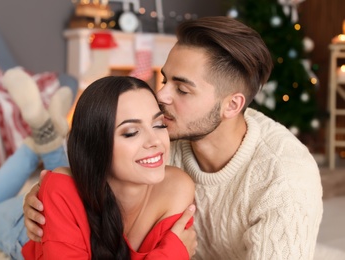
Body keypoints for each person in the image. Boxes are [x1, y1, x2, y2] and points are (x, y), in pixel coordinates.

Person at [24, 16, 323, 259]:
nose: (161, 95)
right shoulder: (163, 136)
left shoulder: (285, 179)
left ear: (232, 105)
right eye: (165, 79)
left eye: (182, 89)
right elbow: (93, 174)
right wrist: (47, 200)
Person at [0, 71, 197, 259]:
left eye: (158, 125)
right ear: (97, 145)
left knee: (65, 180)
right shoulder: (60, 191)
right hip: (27, 232)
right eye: (131, 132)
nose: (155, 141)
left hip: (78, 194)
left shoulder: (177, 186)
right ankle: (34, 145)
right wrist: (171, 253)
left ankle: (48, 139)